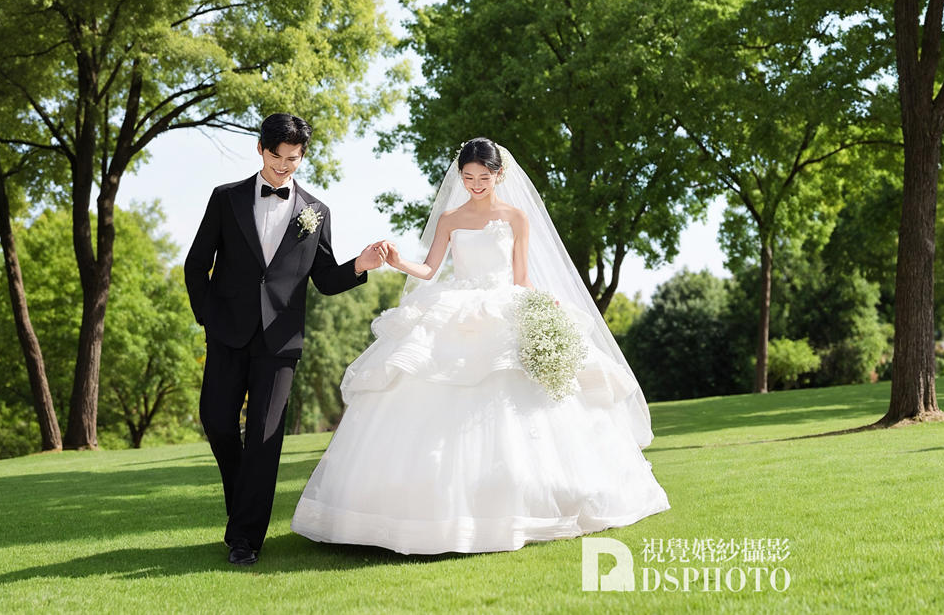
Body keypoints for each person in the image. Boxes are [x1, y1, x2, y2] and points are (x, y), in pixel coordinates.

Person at [291, 137, 669, 554]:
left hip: (503, 305)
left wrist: (542, 307)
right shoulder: (450, 218)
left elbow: (521, 277)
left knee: (517, 397)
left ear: (499, 175)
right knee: (427, 387)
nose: (474, 184)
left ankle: (528, 499)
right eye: (467, 177)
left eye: (483, 178)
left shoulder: (516, 217)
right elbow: (430, 269)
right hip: (454, 305)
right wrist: (396, 260)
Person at [183, 112, 389, 566]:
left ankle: (245, 539)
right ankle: (244, 510)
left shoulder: (317, 212)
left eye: (292, 159)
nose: (283, 167)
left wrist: (361, 264)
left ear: (302, 156)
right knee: (217, 422)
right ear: (260, 149)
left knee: (264, 437)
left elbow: (327, 280)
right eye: (276, 157)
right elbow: (196, 265)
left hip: (279, 344)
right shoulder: (226, 199)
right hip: (227, 334)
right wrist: (208, 319)